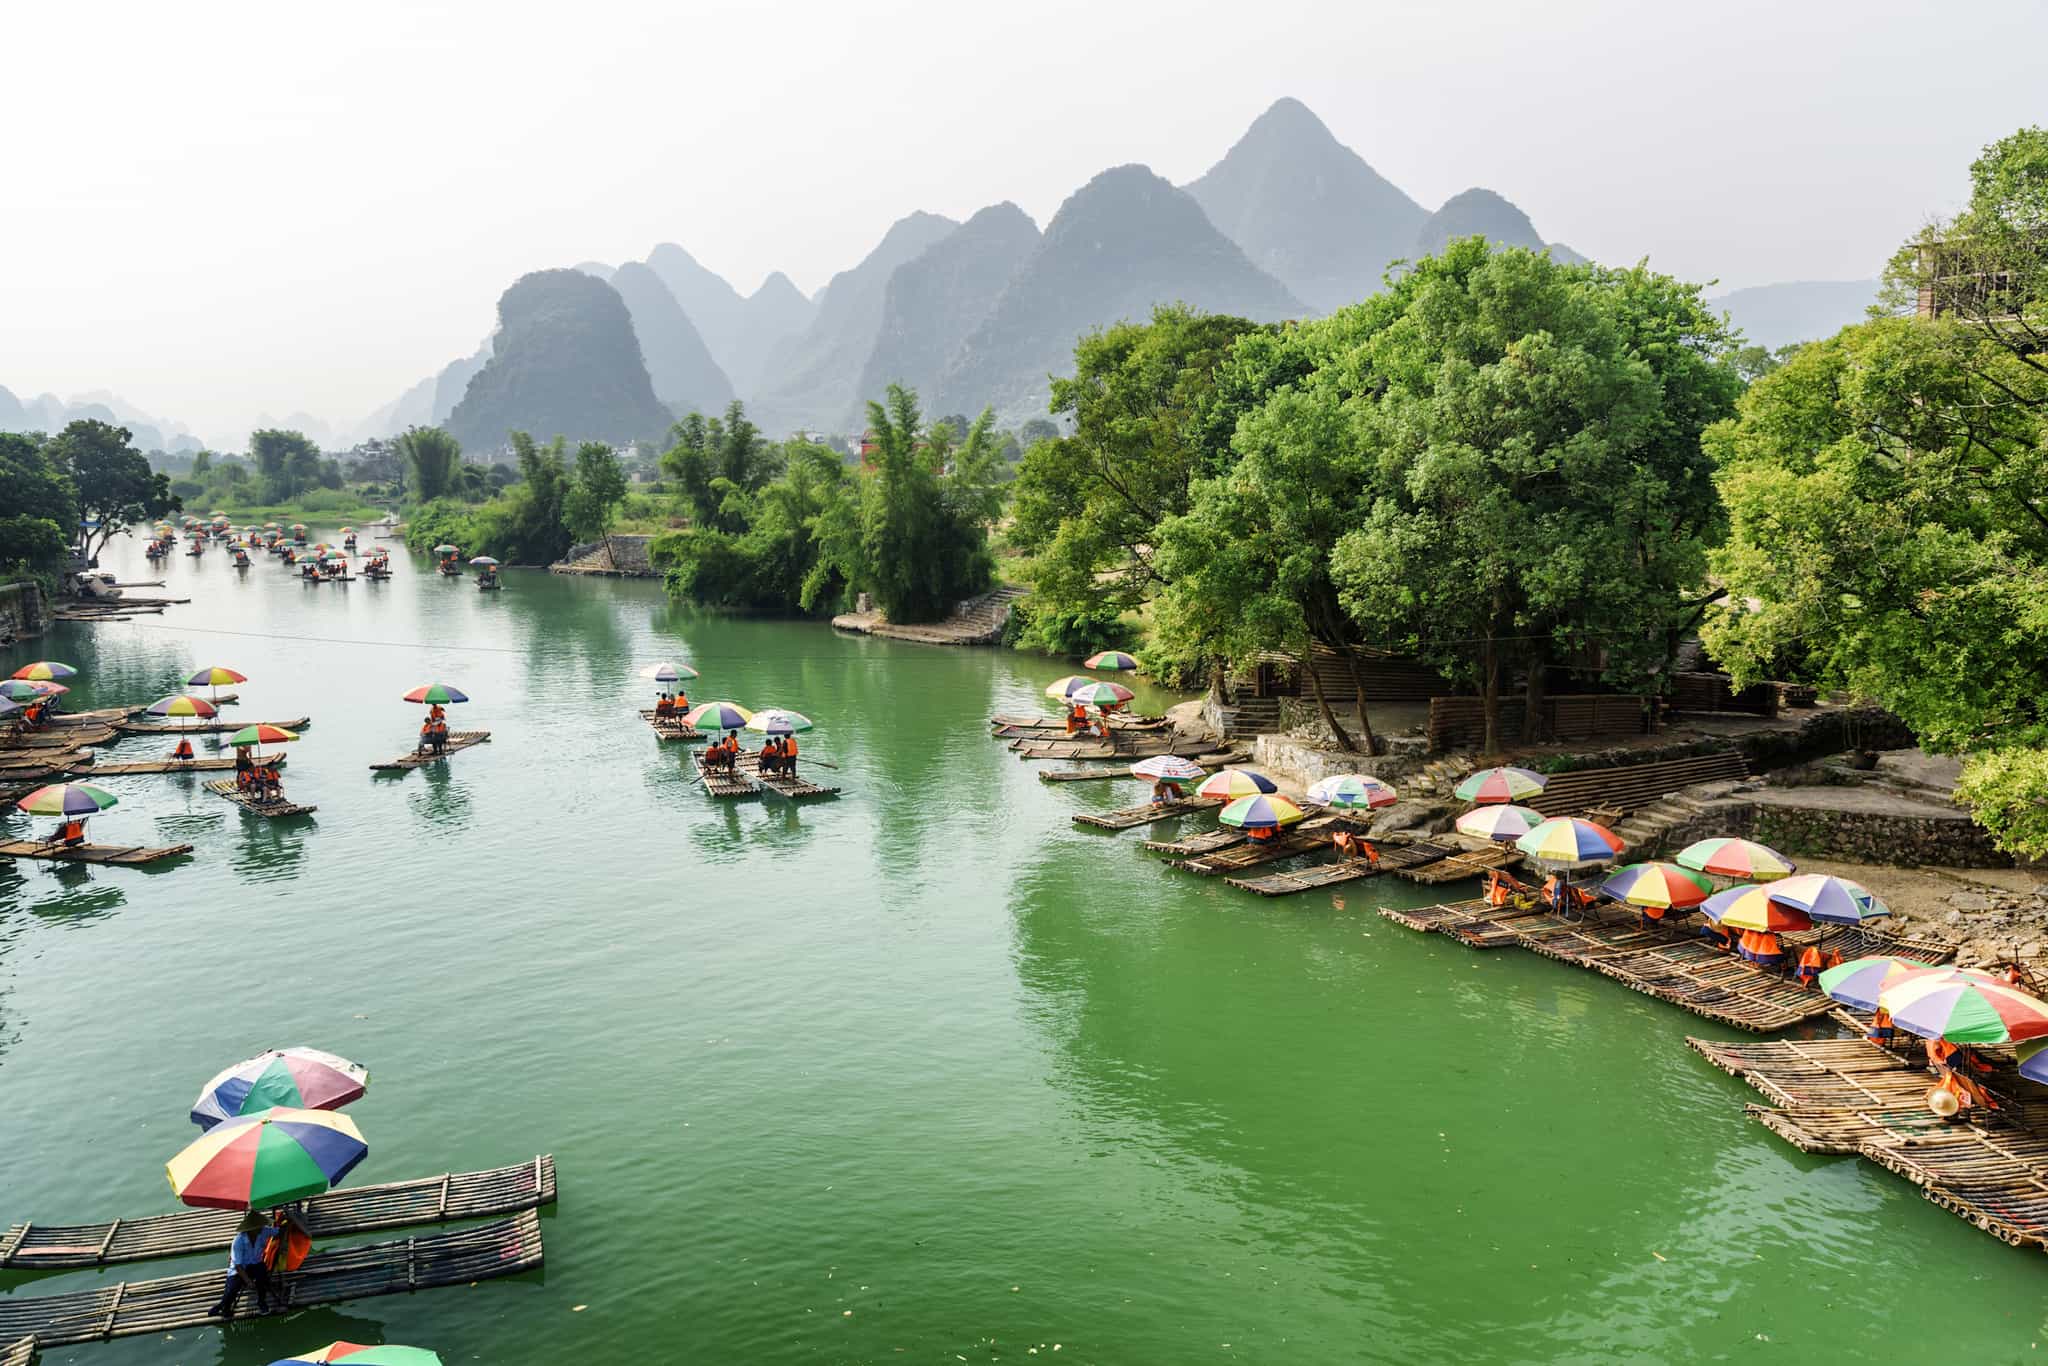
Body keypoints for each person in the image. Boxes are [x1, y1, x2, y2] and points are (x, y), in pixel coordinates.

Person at [209, 1211, 275, 1319]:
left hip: (256, 1264)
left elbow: (277, 1231)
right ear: (252, 1228)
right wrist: (248, 1281)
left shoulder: (263, 1232)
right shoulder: (238, 1241)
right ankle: (224, 1306)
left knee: (263, 1277)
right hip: (240, 1268)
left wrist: (289, 1221)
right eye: (259, 1226)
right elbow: (238, 1265)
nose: (262, 1228)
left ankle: (261, 1301)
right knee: (232, 1288)